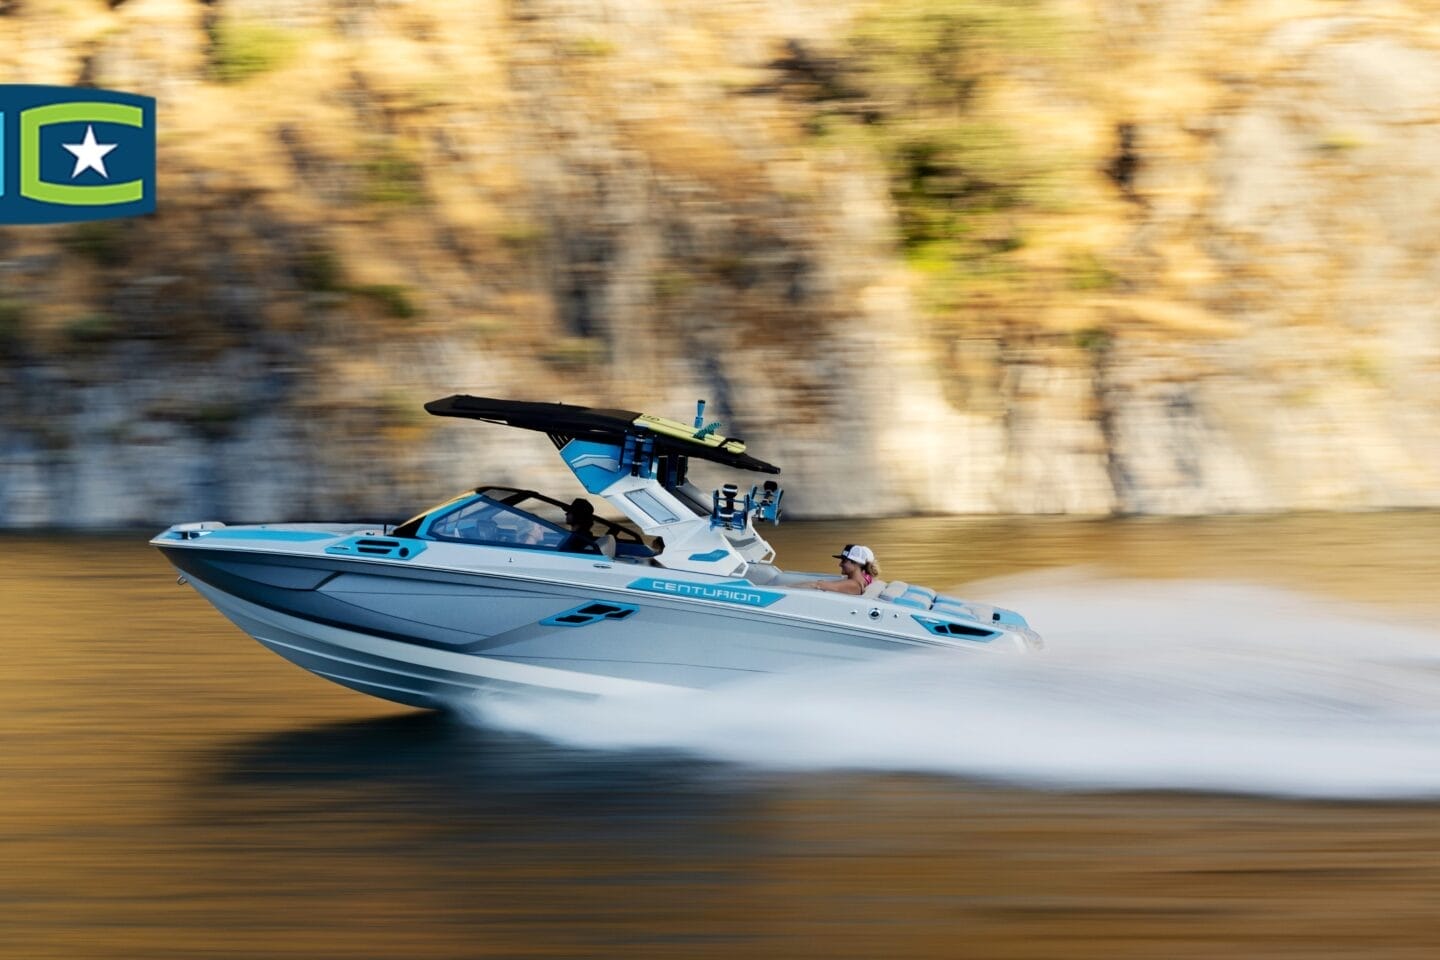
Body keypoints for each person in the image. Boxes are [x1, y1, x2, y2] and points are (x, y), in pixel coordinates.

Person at [801, 544, 879, 595]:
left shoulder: (854, 584)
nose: (840, 564)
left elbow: (818, 585)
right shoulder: (863, 580)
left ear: (856, 563)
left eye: (844, 561)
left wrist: (789, 588)